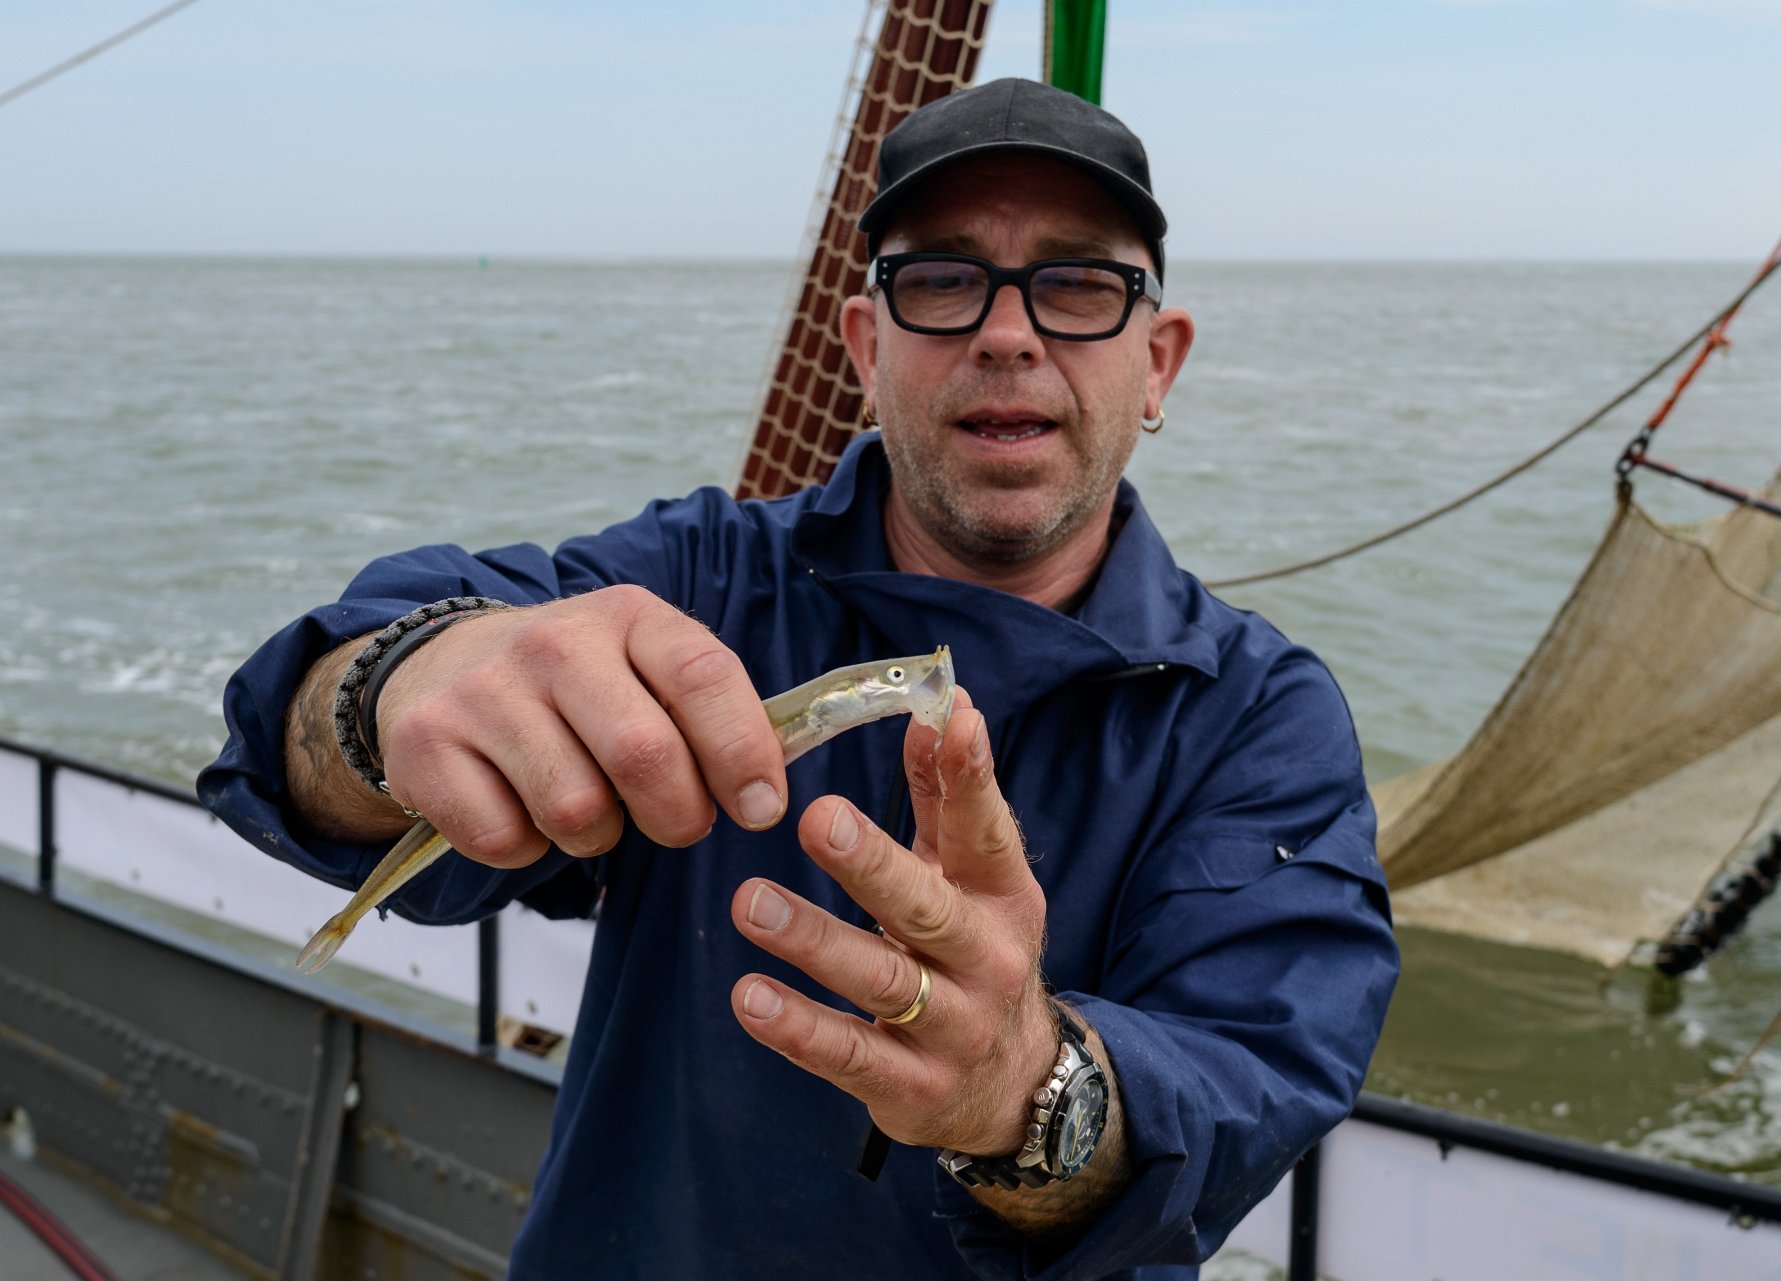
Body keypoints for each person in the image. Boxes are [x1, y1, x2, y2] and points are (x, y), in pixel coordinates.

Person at [200, 78, 1397, 1280]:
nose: (1008, 334)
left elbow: (1253, 1086)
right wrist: (393, 689)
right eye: (943, 280)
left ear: (1159, 363)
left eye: (1081, 284)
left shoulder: (1259, 715)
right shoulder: (699, 577)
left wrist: (1026, 1092)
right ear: (867, 348)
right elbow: (361, 683)